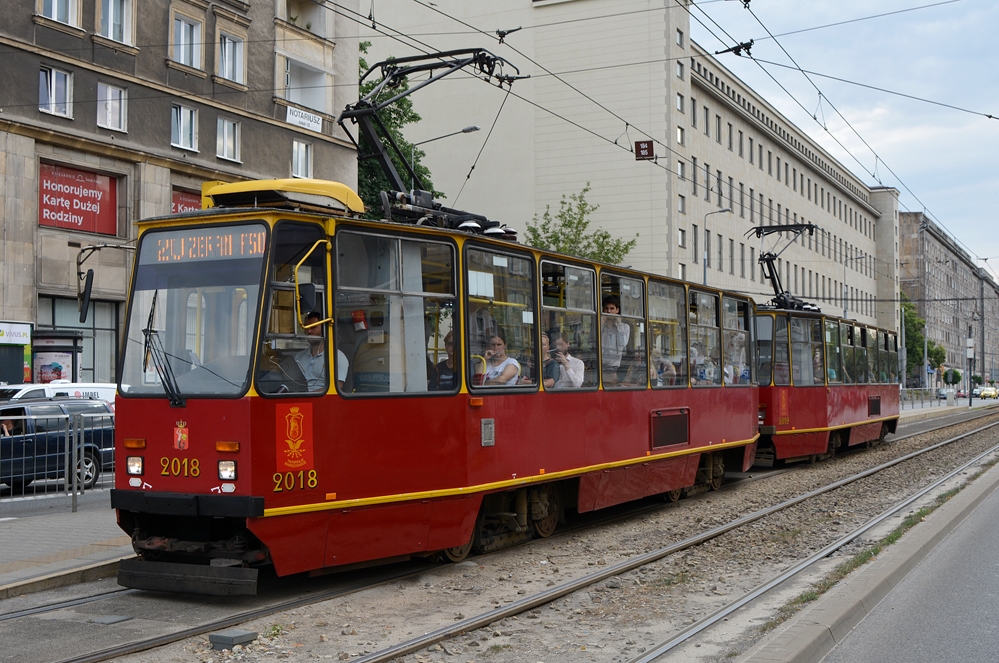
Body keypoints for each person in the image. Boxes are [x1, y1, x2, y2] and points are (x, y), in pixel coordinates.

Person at [295, 311, 349, 391]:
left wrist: (306, 396)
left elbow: (337, 387)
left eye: (313, 327)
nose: (309, 331)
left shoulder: (337, 357)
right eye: (306, 327)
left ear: (324, 329)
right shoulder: (299, 356)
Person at [601, 295, 630, 386]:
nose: (609, 311)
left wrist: (619, 324)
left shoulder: (624, 327)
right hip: (599, 367)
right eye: (606, 308)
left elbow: (623, 343)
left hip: (614, 369)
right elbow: (592, 341)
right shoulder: (599, 325)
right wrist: (600, 325)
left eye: (612, 308)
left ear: (617, 310)